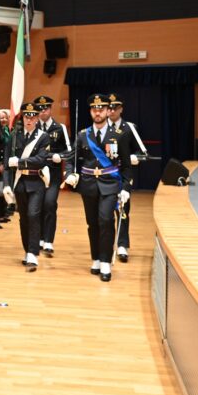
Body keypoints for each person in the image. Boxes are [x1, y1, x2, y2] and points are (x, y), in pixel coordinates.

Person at [64, 93, 133, 282]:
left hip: (110, 184)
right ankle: (95, 258)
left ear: (107, 111)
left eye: (101, 109)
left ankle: (105, 261)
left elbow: (126, 165)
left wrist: (126, 187)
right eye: (94, 109)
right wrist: (69, 174)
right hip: (88, 185)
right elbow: (71, 159)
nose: (98, 112)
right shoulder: (82, 135)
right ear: (90, 112)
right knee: (92, 223)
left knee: (105, 220)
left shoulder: (119, 135)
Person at [4, 102, 50, 272]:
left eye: (32, 117)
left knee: (33, 215)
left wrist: (21, 162)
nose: (29, 120)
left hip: (35, 182)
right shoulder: (14, 136)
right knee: (24, 218)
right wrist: (6, 185)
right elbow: (7, 163)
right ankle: (27, 250)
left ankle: (33, 253)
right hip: (19, 183)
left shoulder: (43, 137)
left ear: (37, 118)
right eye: (26, 116)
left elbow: (41, 159)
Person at [107, 93, 146, 263]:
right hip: (106, 174)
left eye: (115, 108)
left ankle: (122, 245)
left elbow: (143, 153)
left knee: (122, 210)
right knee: (105, 213)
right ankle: (106, 244)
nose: (112, 111)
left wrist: (135, 158)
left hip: (123, 175)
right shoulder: (100, 128)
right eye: (109, 108)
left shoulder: (129, 127)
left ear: (121, 109)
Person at [33, 95, 71, 257]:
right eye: (40, 109)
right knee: (37, 206)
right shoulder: (33, 127)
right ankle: (39, 238)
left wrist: (60, 156)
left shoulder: (59, 127)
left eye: (46, 108)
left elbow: (69, 151)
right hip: (37, 173)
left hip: (53, 173)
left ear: (50, 109)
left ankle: (48, 240)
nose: (43, 112)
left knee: (49, 203)